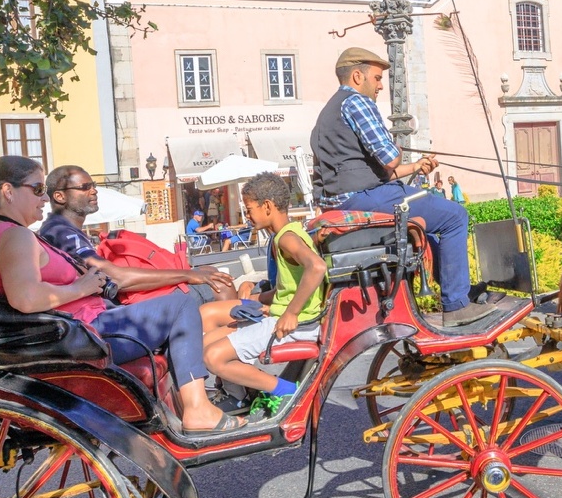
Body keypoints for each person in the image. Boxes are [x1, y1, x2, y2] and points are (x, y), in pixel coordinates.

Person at [0, 156, 241, 433]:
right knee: (180, 306)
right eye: (37, 189)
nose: (44, 198)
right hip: (83, 336)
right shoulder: (17, 236)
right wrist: (81, 287)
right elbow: (25, 298)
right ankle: (198, 408)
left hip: (65, 335)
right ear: (8, 191)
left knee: (171, 308)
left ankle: (185, 401)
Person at [311, 46, 490, 327]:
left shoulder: (329, 111)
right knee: (455, 216)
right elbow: (390, 158)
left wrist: (417, 166)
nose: (381, 85)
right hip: (363, 198)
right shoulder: (356, 102)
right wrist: (396, 147)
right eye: (378, 78)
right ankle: (456, 305)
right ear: (357, 76)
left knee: (428, 227)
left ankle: (458, 291)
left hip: (349, 197)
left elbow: (377, 171)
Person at [203, 172, 327, 419]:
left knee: (212, 356)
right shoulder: (285, 235)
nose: (247, 216)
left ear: (267, 206)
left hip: (297, 323)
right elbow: (286, 289)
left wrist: (291, 313)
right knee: (205, 342)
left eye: (249, 209)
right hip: (282, 315)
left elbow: (317, 267)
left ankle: (284, 391)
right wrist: (255, 299)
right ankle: (238, 394)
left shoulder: (287, 239)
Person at [39, 164, 235, 304]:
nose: (94, 191)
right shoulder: (61, 233)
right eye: (84, 187)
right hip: (107, 311)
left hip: (106, 302)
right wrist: (187, 274)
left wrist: (190, 273)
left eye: (94, 185)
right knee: (221, 286)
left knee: (209, 271)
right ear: (59, 196)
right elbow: (116, 278)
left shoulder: (61, 229)